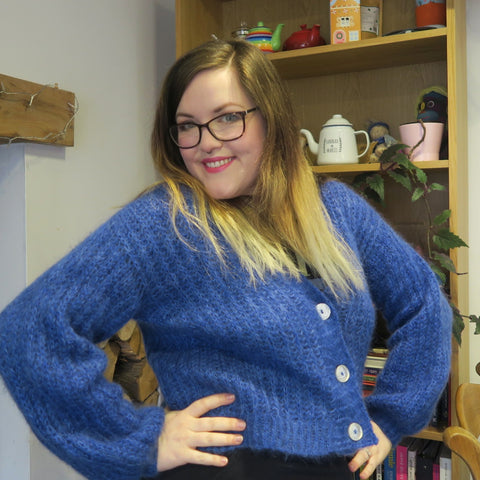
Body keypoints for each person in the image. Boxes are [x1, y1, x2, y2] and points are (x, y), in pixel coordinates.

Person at [0, 39, 452, 480]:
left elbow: (422, 299)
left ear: (270, 119)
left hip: (339, 464)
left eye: (228, 118)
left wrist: (392, 417)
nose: (206, 142)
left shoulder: (334, 208)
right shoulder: (165, 222)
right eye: (187, 125)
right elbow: (30, 331)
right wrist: (138, 438)